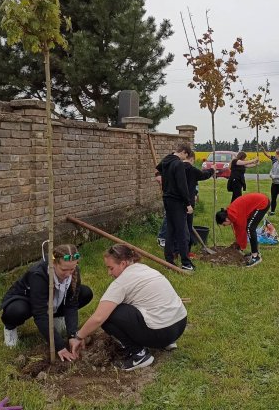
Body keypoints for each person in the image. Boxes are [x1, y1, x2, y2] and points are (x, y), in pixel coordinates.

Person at [70, 244, 187, 371]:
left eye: (111, 268)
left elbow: (98, 317)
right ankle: (167, 343)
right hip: (179, 326)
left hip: (161, 332)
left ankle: (139, 355)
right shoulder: (145, 269)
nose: (109, 273)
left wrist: (78, 337)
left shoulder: (122, 282)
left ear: (123, 264)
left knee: (109, 316)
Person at [0, 244, 93, 361]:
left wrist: (73, 335)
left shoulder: (74, 272)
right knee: (17, 311)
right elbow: (40, 314)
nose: (68, 274)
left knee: (85, 293)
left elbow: (71, 305)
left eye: (72, 269)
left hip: (52, 300)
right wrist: (59, 346)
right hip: (25, 299)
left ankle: (57, 316)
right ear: (54, 264)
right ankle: (10, 327)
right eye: (64, 270)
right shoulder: (38, 274)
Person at [156, 143, 194, 271]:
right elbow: (182, 186)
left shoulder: (167, 159)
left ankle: (169, 261)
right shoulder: (178, 164)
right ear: (183, 152)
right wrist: (188, 204)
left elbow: (158, 168)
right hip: (177, 201)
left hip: (167, 199)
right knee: (182, 232)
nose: (185, 158)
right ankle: (186, 263)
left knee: (170, 231)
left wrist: (160, 178)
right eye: (186, 156)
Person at [215, 193, 270, 267]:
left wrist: (241, 247)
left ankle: (255, 257)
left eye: (224, 224)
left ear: (226, 219)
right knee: (249, 227)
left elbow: (241, 231)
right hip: (258, 202)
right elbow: (237, 230)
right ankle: (255, 252)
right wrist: (239, 245)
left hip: (262, 203)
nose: (225, 226)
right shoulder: (232, 214)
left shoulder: (236, 215)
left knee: (250, 228)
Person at [260, 147, 279, 217]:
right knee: (273, 198)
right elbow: (272, 170)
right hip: (274, 183)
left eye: (275, 153)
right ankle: (272, 212)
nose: (274, 155)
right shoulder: (275, 162)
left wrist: (275, 176)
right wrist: (270, 174)